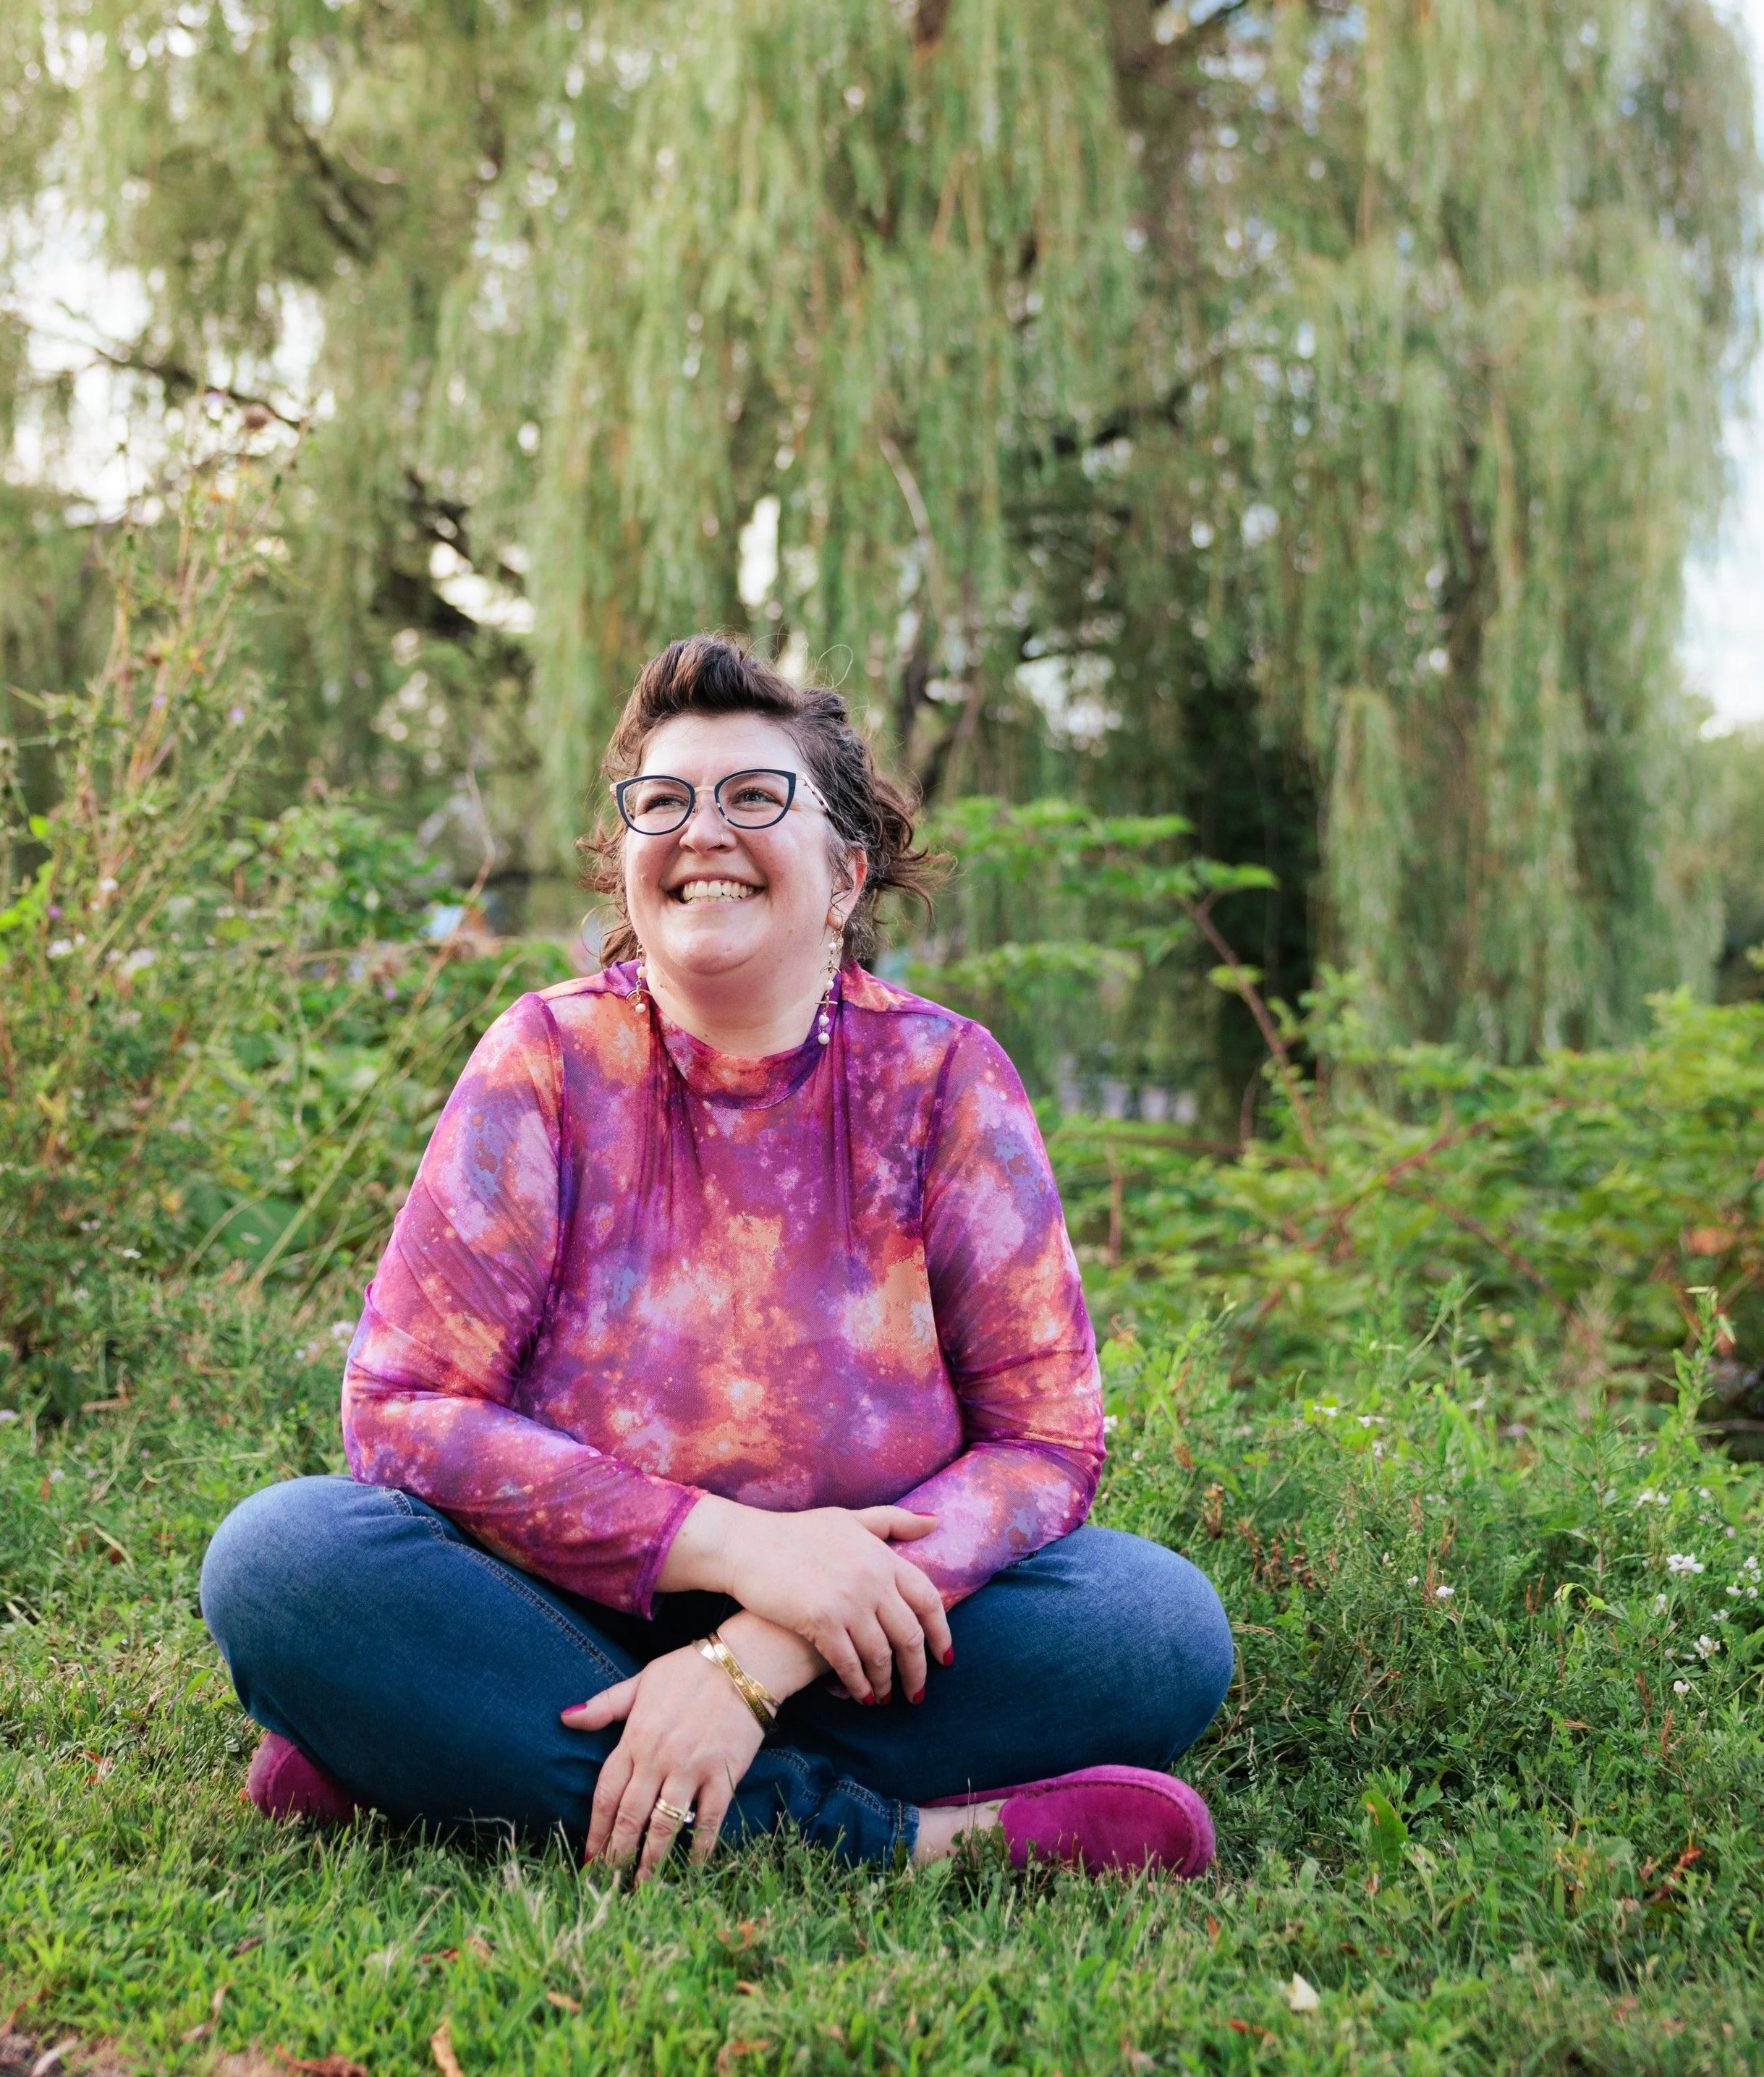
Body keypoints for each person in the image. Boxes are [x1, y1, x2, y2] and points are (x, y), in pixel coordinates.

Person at [200, 637, 1232, 1878]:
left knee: (1155, 1628)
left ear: (846, 875)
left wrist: (758, 1655)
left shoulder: (945, 1079)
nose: (702, 832)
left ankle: (439, 1758)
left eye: (753, 797)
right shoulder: (545, 1062)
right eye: (664, 802)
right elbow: (405, 1414)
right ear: (627, 865)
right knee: (287, 1563)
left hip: (858, 1642)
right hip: (557, 1603)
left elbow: (1048, 1444)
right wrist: (741, 1550)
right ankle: (900, 1843)